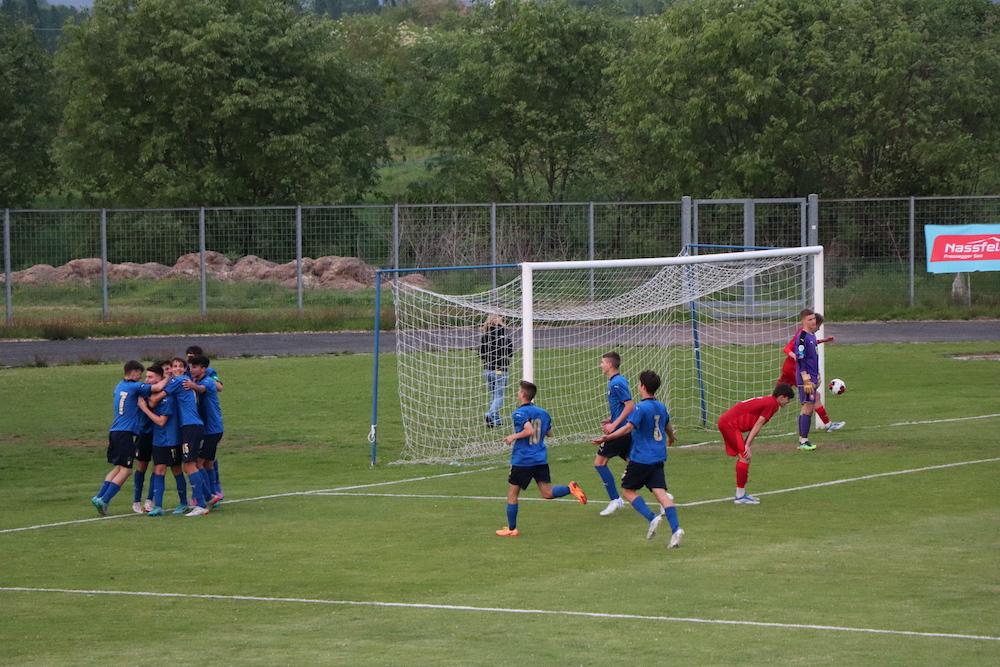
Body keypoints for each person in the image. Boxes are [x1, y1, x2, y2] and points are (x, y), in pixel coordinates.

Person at [592, 370, 685, 548]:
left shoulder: (641, 408)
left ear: (642, 386)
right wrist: (671, 437)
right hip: (658, 458)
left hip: (642, 458)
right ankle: (676, 529)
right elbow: (667, 426)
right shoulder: (661, 407)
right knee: (661, 494)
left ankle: (652, 518)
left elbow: (627, 428)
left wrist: (607, 437)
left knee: (627, 491)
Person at [495, 380, 587, 537]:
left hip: (523, 460)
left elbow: (529, 431)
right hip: (540, 458)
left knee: (512, 494)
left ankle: (511, 529)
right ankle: (570, 488)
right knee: (547, 493)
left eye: (519, 391)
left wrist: (513, 436)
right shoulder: (544, 413)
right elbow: (549, 433)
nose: (517, 393)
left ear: (523, 395)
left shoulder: (518, 413)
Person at [150, 357, 210, 515]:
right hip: (189, 426)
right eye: (173, 366)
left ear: (184, 369)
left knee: (189, 464)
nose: (175, 369)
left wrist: (143, 402)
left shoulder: (179, 381)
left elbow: (155, 398)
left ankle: (201, 504)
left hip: (191, 426)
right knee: (188, 464)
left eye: (179, 366)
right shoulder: (185, 381)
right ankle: (203, 499)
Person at [718, 383, 796, 504]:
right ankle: (740, 496)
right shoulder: (773, 404)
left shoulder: (770, 400)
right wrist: (747, 445)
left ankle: (741, 493)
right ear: (781, 397)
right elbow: (758, 424)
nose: (788, 402)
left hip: (728, 423)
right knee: (745, 456)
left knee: (745, 457)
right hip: (730, 425)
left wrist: (747, 444)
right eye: (788, 399)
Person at [91, 361, 151, 516]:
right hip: (125, 434)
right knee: (126, 470)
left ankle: (99, 496)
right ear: (133, 372)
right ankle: (104, 499)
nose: (141, 377)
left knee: (117, 467)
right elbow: (156, 388)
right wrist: (169, 378)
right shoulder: (134, 386)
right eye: (140, 373)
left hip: (115, 431)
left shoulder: (119, 386)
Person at [779, 310, 844, 432]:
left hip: (795, 370)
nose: (818, 328)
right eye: (818, 326)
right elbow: (787, 348)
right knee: (809, 401)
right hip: (795, 370)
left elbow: (811, 343)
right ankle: (806, 436)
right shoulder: (802, 335)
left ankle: (828, 425)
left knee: (782, 397)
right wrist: (796, 357)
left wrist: (824, 340)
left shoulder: (809, 335)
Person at [136, 363, 183, 517]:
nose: (147, 380)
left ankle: (183, 502)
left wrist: (144, 408)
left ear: (159, 378)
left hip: (171, 440)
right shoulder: (153, 395)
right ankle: (158, 506)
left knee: (176, 470)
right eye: (146, 376)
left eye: (150, 377)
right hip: (158, 440)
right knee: (158, 470)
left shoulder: (167, 398)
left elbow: (162, 421)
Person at [595, 352, 634, 516]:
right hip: (624, 430)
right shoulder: (617, 381)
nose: (600, 365)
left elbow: (630, 405)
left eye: (602, 362)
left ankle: (615, 500)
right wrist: (612, 417)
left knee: (599, 463)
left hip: (620, 432)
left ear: (610, 365)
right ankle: (663, 496)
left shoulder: (616, 383)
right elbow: (622, 406)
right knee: (637, 465)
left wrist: (614, 425)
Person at [185, 354, 224, 506]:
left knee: (197, 463)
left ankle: (206, 495)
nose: (192, 369)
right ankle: (213, 494)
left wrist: (191, 385)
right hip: (209, 429)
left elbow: (201, 389)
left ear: (203, 368)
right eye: (191, 367)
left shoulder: (207, 381)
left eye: (195, 367)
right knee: (207, 462)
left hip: (212, 430)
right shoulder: (199, 379)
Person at [795, 312, 822, 451]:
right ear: (804, 321)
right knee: (808, 407)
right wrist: (806, 378)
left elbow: (812, 358)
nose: (813, 321)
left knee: (807, 407)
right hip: (805, 380)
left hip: (812, 378)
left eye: (814, 319)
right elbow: (800, 358)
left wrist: (816, 374)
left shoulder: (812, 335)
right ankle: (803, 441)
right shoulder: (802, 337)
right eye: (810, 319)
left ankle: (802, 439)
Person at [479, 315, 513, 428]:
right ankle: (490, 414)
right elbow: (510, 353)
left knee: (493, 395)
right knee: (499, 395)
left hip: (488, 370)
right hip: (500, 370)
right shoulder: (505, 336)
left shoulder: (485, 336)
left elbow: (482, 355)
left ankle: (496, 420)